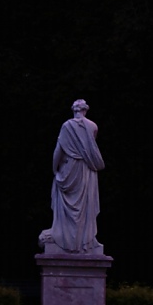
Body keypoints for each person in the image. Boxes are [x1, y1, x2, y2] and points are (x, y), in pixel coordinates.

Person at [39, 99, 105, 253]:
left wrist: (55, 170)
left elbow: (58, 150)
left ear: (73, 110)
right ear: (85, 110)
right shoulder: (93, 126)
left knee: (66, 205)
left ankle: (64, 237)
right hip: (86, 169)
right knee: (84, 206)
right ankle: (85, 240)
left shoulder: (67, 126)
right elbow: (89, 149)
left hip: (69, 168)